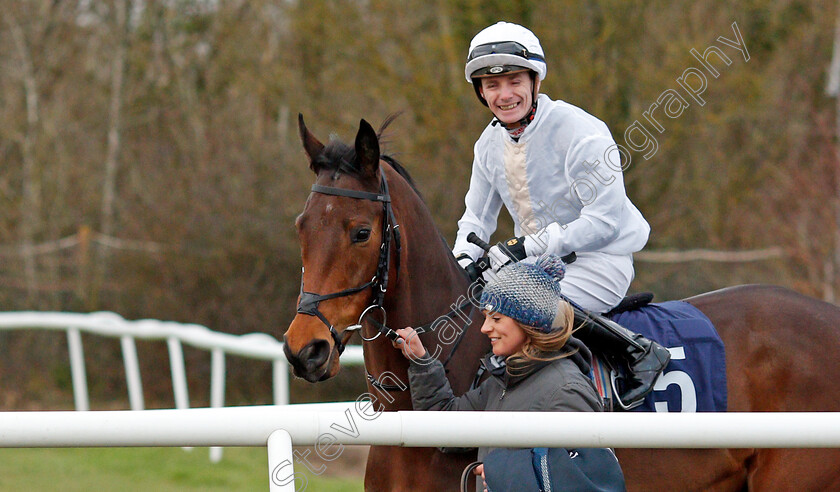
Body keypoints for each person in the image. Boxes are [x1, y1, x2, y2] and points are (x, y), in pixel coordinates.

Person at [451, 21, 669, 407]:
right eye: (491, 85)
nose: (504, 95)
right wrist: (462, 259)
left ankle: (638, 353)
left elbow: (604, 222)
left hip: (600, 262)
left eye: (514, 81)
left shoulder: (581, 131)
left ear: (535, 81)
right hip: (534, 267)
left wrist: (526, 246)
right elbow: (475, 219)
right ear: (480, 92)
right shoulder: (487, 144)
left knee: (520, 306)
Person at [392, 255, 619, 492]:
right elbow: (445, 427)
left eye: (497, 319)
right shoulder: (502, 381)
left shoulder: (567, 389)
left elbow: (584, 482)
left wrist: (502, 475)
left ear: (529, 323)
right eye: (486, 318)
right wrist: (421, 361)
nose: (485, 328)